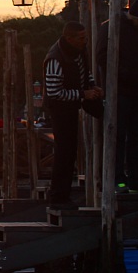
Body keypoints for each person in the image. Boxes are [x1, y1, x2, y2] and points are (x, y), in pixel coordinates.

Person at [96, 0, 138, 191]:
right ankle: (116, 178)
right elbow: (102, 57)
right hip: (119, 90)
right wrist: (126, 72)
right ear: (131, 15)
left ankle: (136, 179)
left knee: (136, 136)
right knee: (117, 134)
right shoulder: (111, 28)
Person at [43, 20, 103, 207]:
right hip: (60, 110)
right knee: (64, 153)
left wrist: (92, 86)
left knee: (69, 153)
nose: (84, 41)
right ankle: (58, 197)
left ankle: (63, 195)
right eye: (81, 38)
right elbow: (54, 93)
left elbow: (85, 72)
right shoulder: (55, 58)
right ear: (69, 38)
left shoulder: (78, 52)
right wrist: (83, 94)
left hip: (72, 105)